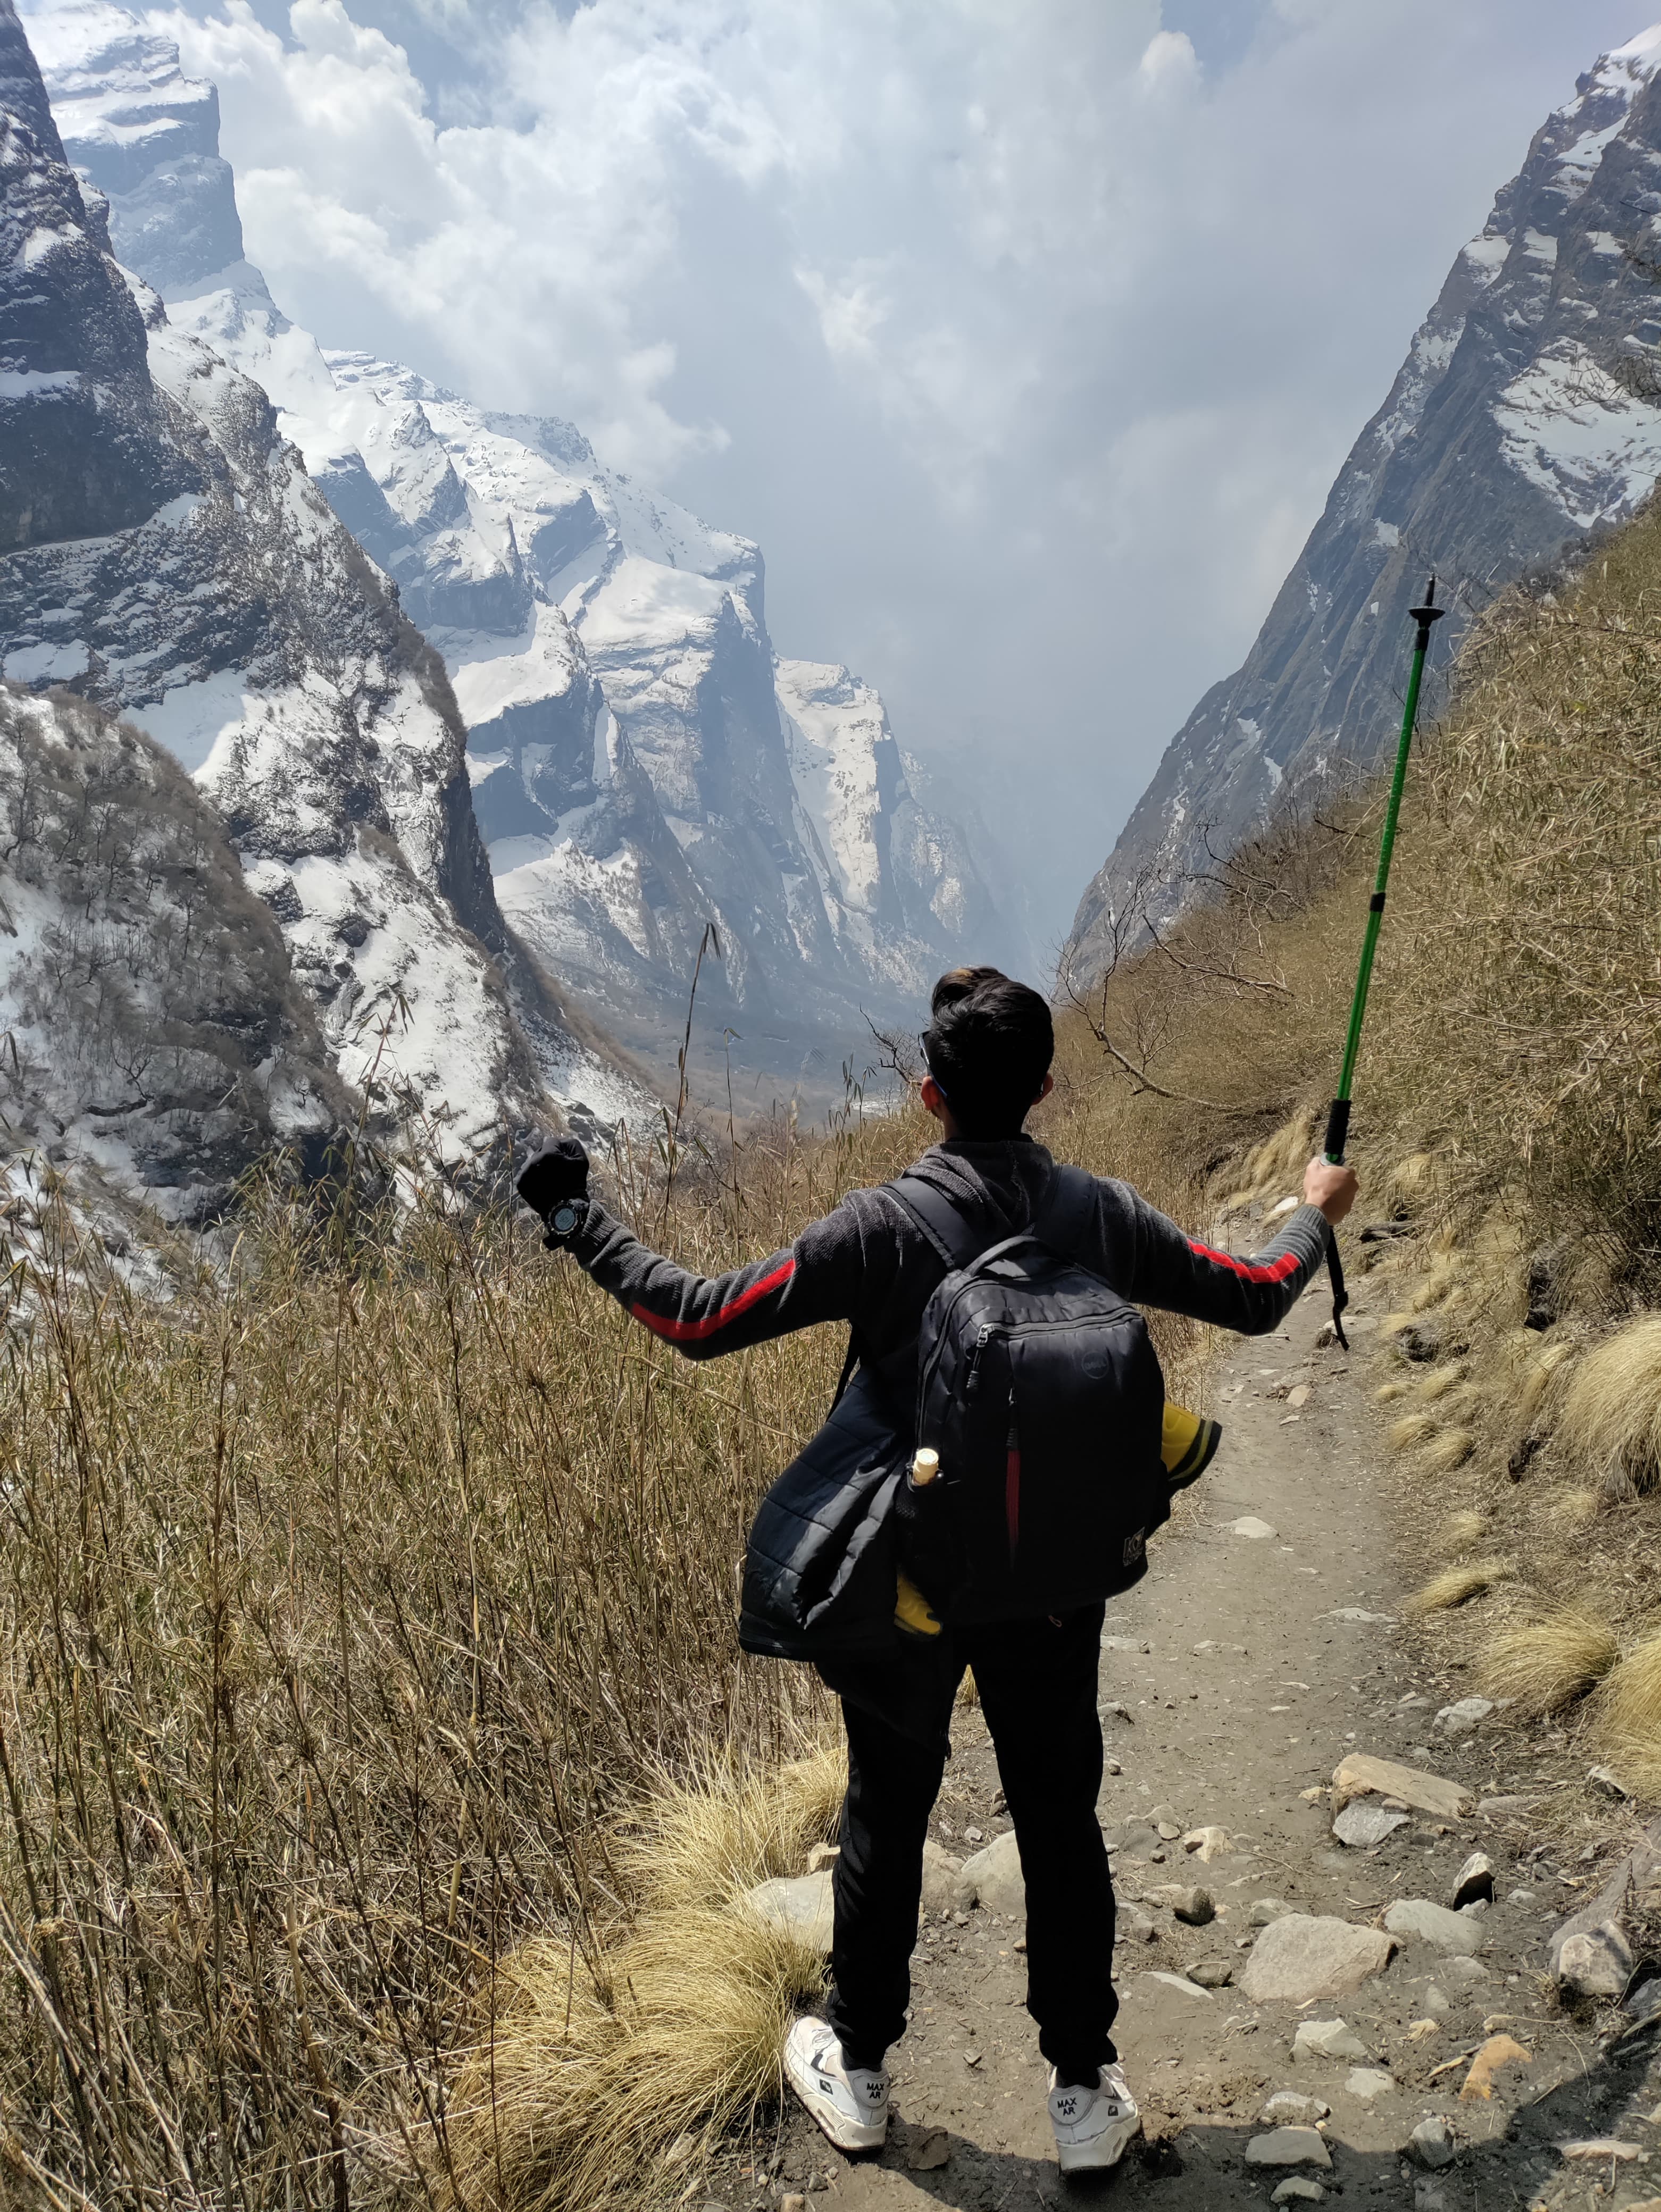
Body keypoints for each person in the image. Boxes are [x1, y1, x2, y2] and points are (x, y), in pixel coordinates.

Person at [516, 967, 1357, 2175]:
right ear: (1045, 1088)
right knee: (1058, 1818)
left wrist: (574, 1214)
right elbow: (1260, 1296)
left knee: (888, 1809)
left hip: (909, 1580)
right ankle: (1081, 2092)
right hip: (1055, 1577)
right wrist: (1311, 1209)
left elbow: (699, 1318)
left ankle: (855, 2066)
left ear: (927, 1094)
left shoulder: (878, 1226)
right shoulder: (1099, 1212)